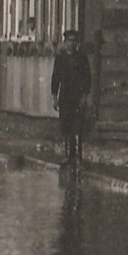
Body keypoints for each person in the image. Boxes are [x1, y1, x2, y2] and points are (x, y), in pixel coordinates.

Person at [50, 27, 92, 170]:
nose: (71, 44)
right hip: (65, 97)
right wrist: (54, 97)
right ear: (65, 42)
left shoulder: (82, 58)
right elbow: (55, 78)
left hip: (78, 97)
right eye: (69, 41)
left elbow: (88, 78)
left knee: (78, 127)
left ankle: (78, 158)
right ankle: (68, 156)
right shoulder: (60, 59)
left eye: (74, 41)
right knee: (66, 127)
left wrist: (85, 96)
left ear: (77, 43)